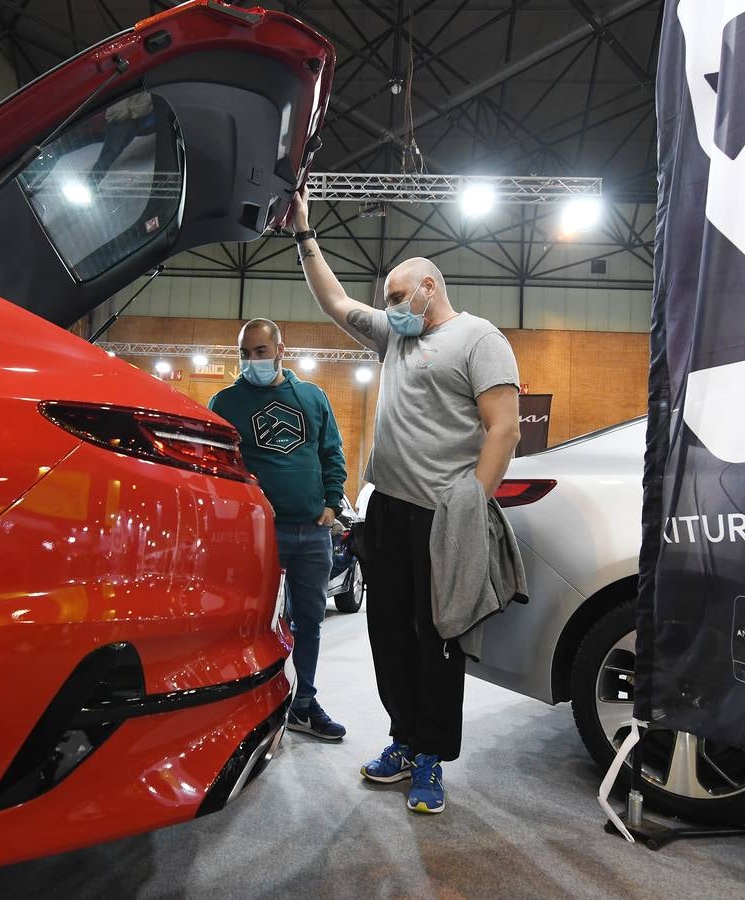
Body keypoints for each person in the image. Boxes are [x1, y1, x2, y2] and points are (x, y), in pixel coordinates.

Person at [290, 187, 521, 814]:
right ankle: (400, 739)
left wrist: (474, 499)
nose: (389, 308)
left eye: (397, 297)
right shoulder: (396, 338)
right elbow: (336, 300)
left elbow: (504, 426)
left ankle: (430, 758)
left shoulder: (479, 339)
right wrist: (306, 234)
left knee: (436, 641)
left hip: (442, 518)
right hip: (387, 512)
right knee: (387, 635)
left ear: (430, 287)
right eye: (387, 300)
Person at [209, 318, 348, 741]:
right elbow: (217, 465)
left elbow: (331, 452)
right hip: (255, 537)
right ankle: (242, 709)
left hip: (311, 531)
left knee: (309, 622)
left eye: (260, 352)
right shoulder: (225, 402)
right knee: (243, 625)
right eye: (245, 353)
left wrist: (330, 502)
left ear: (280, 349)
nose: (253, 361)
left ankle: (304, 702)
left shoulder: (312, 396)